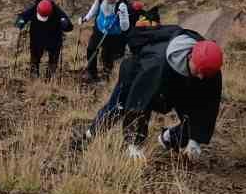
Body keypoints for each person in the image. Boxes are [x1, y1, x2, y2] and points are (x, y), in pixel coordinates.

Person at [85, 25, 223, 160]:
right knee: (118, 106)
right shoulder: (157, 64)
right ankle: (91, 134)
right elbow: (138, 102)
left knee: (193, 110)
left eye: (205, 74)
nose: (201, 77)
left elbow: (207, 106)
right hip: (137, 74)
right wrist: (134, 143)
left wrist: (195, 140)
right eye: (198, 71)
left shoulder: (209, 69)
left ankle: (170, 138)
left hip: (179, 84)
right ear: (190, 56)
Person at [81, 0, 131, 81]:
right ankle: (91, 73)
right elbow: (94, 9)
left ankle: (106, 74)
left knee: (107, 56)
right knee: (91, 49)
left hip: (113, 35)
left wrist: (122, 13)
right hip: (99, 29)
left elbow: (125, 27)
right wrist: (86, 18)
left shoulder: (121, 5)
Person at [15, 0, 74, 78]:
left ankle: (50, 76)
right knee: (35, 57)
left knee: (53, 59)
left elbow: (70, 27)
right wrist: (20, 21)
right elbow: (23, 16)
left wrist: (65, 24)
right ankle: (34, 73)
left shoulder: (57, 12)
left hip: (53, 40)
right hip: (37, 39)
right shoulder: (34, 8)